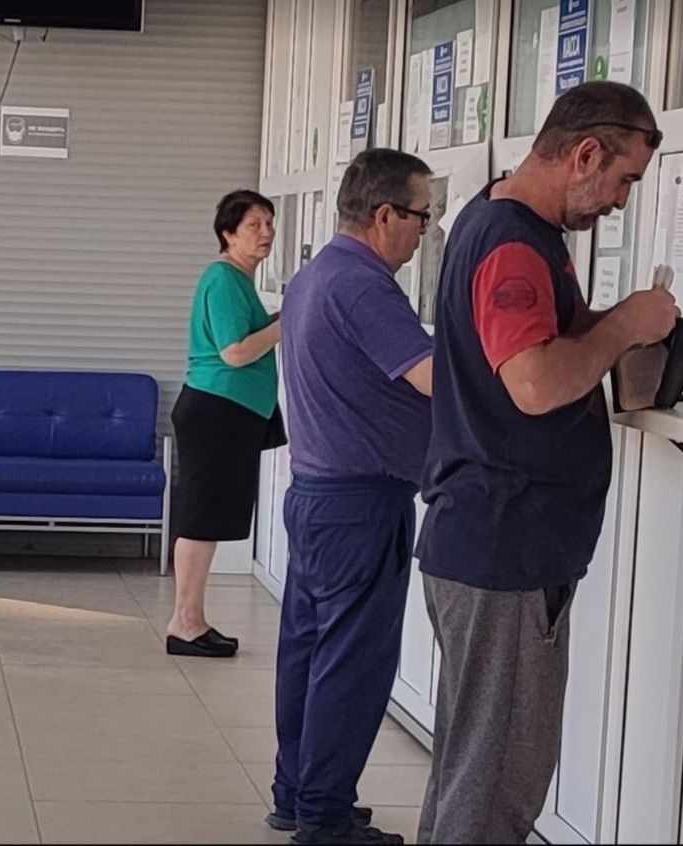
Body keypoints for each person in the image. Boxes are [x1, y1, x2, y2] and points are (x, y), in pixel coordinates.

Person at [415, 82, 679, 843]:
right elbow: (533, 383)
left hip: (498, 543)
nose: (620, 202)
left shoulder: (509, 225)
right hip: (505, 547)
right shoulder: (512, 243)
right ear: (585, 154)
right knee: (494, 787)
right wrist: (624, 326)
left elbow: (540, 343)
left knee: (473, 773)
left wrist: (610, 326)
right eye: (624, 180)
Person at [267, 148, 435, 846]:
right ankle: (325, 817)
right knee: (352, 665)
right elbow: (436, 379)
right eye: (422, 215)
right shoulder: (365, 287)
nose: (425, 230)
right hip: (362, 504)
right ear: (385, 214)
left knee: (308, 653)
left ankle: (296, 793)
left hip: (317, 494)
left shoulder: (314, 275)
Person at [166, 190, 285, 658]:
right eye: (254, 225)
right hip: (215, 410)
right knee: (201, 519)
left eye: (270, 223)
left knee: (210, 520)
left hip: (230, 413)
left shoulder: (240, 280)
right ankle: (184, 622)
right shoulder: (223, 278)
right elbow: (234, 351)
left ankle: (192, 619)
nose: (266, 233)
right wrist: (287, 322)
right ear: (228, 234)